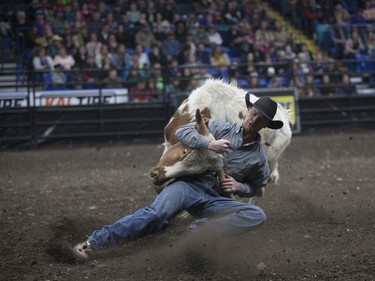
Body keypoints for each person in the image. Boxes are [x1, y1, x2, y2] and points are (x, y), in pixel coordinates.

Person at [72, 95, 284, 261]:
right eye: (254, 114)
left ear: (265, 125)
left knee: (257, 215)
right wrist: (209, 144)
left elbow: (257, 186)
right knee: (156, 214)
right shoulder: (220, 127)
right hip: (190, 185)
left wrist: (239, 186)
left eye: (261, 120)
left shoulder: (258, 159)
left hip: (214, 200)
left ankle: (200, 231)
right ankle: (93, 243)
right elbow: (183, 132)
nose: (254, 120)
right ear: (247, 111)